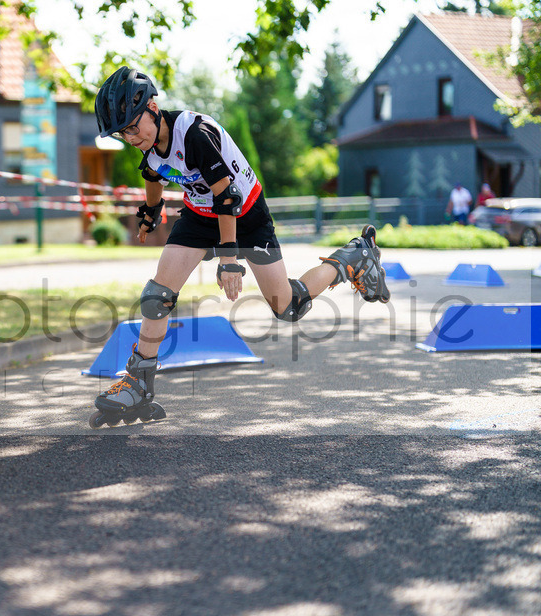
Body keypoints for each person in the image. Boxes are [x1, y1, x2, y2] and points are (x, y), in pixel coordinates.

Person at [90, 67, 390, 425]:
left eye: (132, 127)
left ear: (152, 107)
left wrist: (230, 259)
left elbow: (228, 198)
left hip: (245, 215)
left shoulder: (195, 134)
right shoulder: (152, 144)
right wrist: (152, 211)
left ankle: (352, 257)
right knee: (157, 296)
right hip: (200, 216)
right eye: (122, 133)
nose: (129, 137)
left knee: (288, 308)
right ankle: (137, 382)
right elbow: (153, 174)